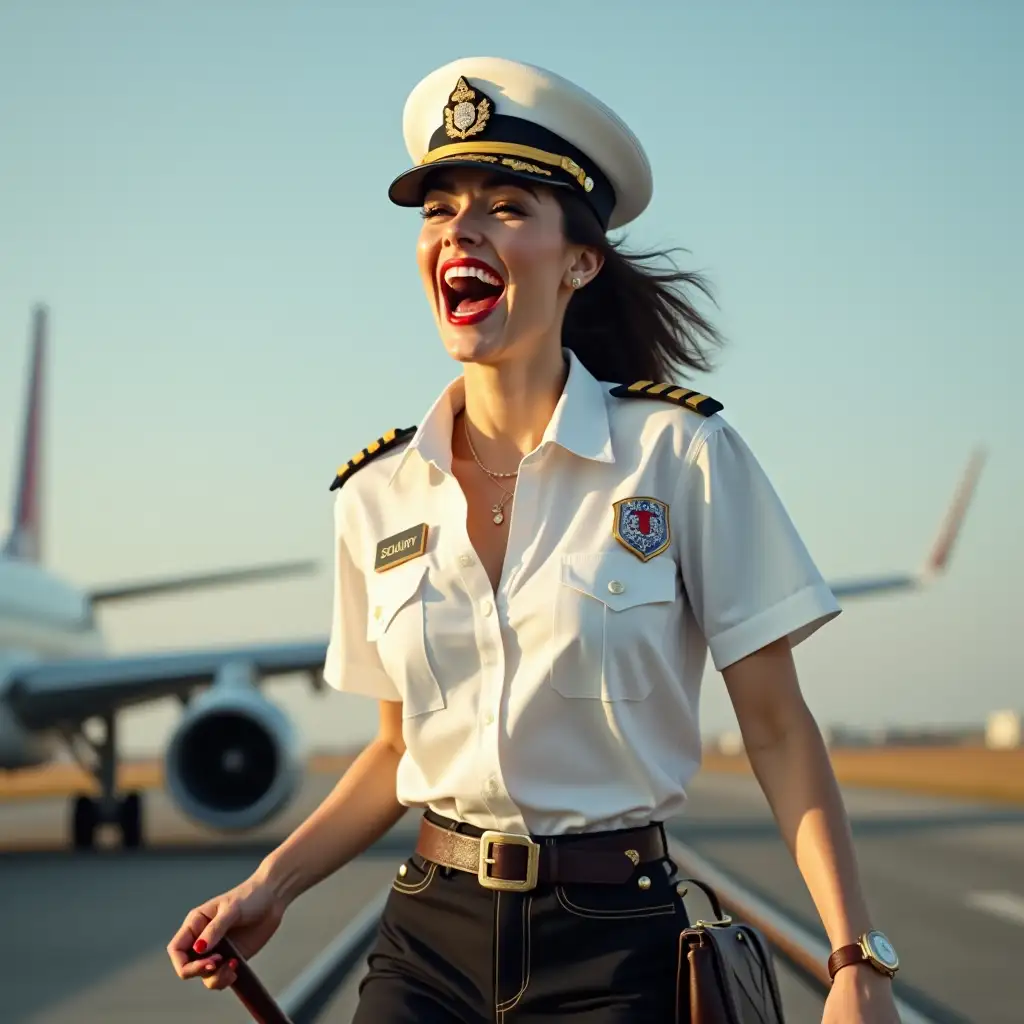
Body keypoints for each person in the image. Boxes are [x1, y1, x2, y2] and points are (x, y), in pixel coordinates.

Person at [167, 56, 903, 1023]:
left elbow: (774, 724)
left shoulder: (681, 454)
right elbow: (397, 751)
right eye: (440, 209)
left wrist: (855, 961)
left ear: (580, 261)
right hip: (429, 936)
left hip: (616, 947)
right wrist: (269, 884)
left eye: (506, 206)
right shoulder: (375, 494)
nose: (460, 230)